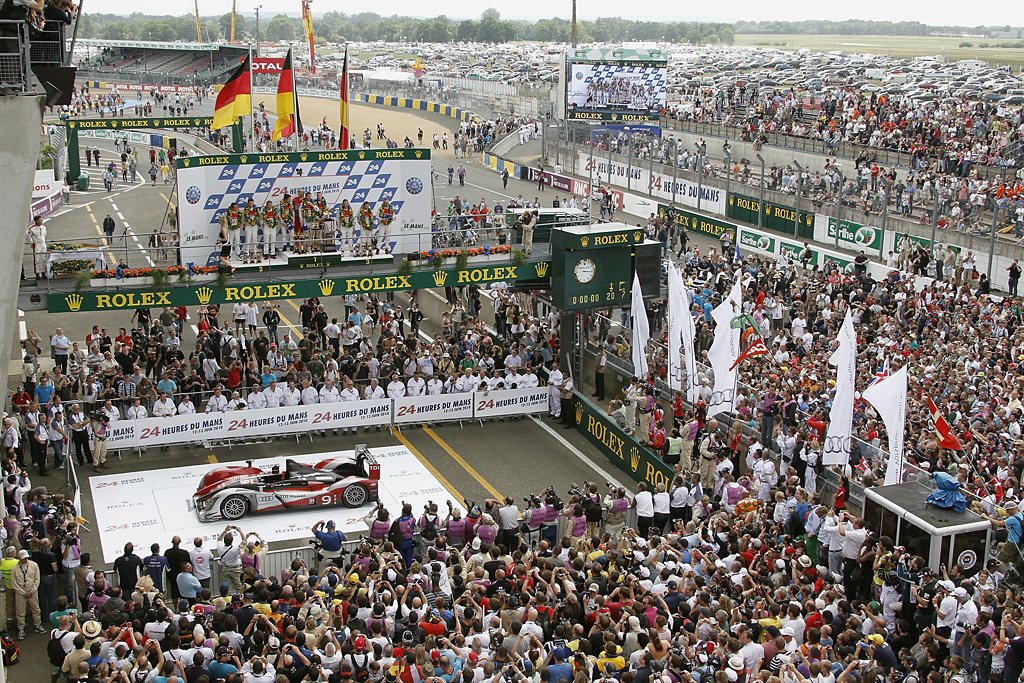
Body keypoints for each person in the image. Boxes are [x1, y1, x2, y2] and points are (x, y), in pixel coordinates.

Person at [11, 549, 42, 640]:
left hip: (32, 591)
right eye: (24, 558)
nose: (25, 560)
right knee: (20, 611)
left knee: (36, 608)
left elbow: (37, 579)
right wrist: (22, 592)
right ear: (19, 558)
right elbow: (14, 583)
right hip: (21, 593)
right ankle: (21, 628)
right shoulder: (14, 569)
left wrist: (32, 590)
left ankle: (37, 624)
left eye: (26, 558)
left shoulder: (33, 565)